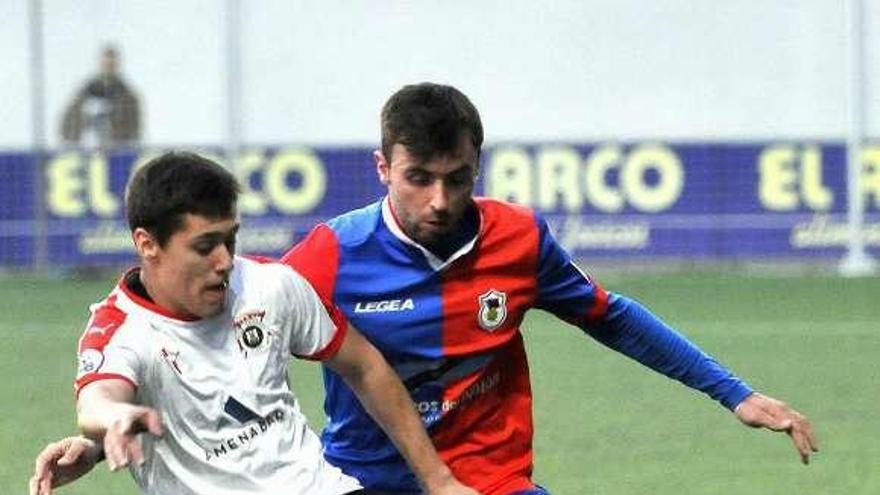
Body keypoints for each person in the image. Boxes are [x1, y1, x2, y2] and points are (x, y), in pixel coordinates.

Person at [32, 84, 818, 495]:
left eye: (457, 178)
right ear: (383, 168)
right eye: (419, 179)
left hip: (487, 476)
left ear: (477, 165)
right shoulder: (326, 256)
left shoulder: (518, 239)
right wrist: (100, 433)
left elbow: (613, 318)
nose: (440, 200)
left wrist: (732, 392)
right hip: (364, 478)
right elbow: (191, 341)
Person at [30, 151, 476, 495]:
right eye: (205, 246)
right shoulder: (120, 329)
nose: (225, 261)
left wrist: (438, 481)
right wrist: (116, 421)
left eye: (230, 239)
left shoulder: (270, 284)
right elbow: (97, 401)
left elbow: (365, 366)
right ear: (148, 244)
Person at [60, 44, 141, 150]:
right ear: (101, 63)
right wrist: (75, 141)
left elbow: (134, 130)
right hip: (87, 151)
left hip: (116, 152)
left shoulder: (127, 96)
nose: (109, 64)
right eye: (106, 60)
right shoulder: (86, 92)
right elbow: (69, 123)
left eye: (112, 61)